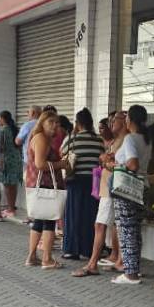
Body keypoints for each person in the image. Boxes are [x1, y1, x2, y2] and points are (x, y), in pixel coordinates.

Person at [72, 110, 128, 278]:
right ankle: (116, 259)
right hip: (107, 187)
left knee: (100, 224)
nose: (111, 124)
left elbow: (124, 164)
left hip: (112, 188)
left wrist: (107, 161)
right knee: (111, 225)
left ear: (125, 121)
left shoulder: (126, 140)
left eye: (115, 121)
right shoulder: (116, 140)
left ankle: (93, 263)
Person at [109, 105, 152, 285]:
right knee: (134, 230)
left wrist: (113, 166)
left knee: (126, 230)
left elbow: (132, 164)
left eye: (126, 117)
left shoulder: (130, 139)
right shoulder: (146, 139)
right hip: (142, 187)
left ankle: (130, 274)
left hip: (127, 189)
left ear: (130, 120)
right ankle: (134, 268)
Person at [60, 108, 104, 260]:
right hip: (93, 180)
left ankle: (72, 249)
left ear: (77, 123)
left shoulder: (72, 139)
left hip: (75, 179)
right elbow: (101, 158)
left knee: (73, 214)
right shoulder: (99, 140)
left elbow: (62, 153)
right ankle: (87, 250)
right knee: (90, 215)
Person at [24, 111, 63, 268]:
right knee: (49, 221)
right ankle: (46, 259)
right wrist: (61, 164)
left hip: (39, 185)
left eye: (57, 122)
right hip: (45, 185)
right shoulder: (40, 138)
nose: (55, 125)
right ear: (42, 123)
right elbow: (40, 164)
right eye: (51, 122)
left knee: (39, 221)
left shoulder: (42, 138)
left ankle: (32, 257)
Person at [0, 111, 23, 218]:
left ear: (3, 119)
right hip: (16, 159)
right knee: (13, 184)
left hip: (7, 159)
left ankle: (10, 208)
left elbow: (1, 147)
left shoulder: (3, 131)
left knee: (7, 185)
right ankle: (12, 208)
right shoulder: (15, 129)